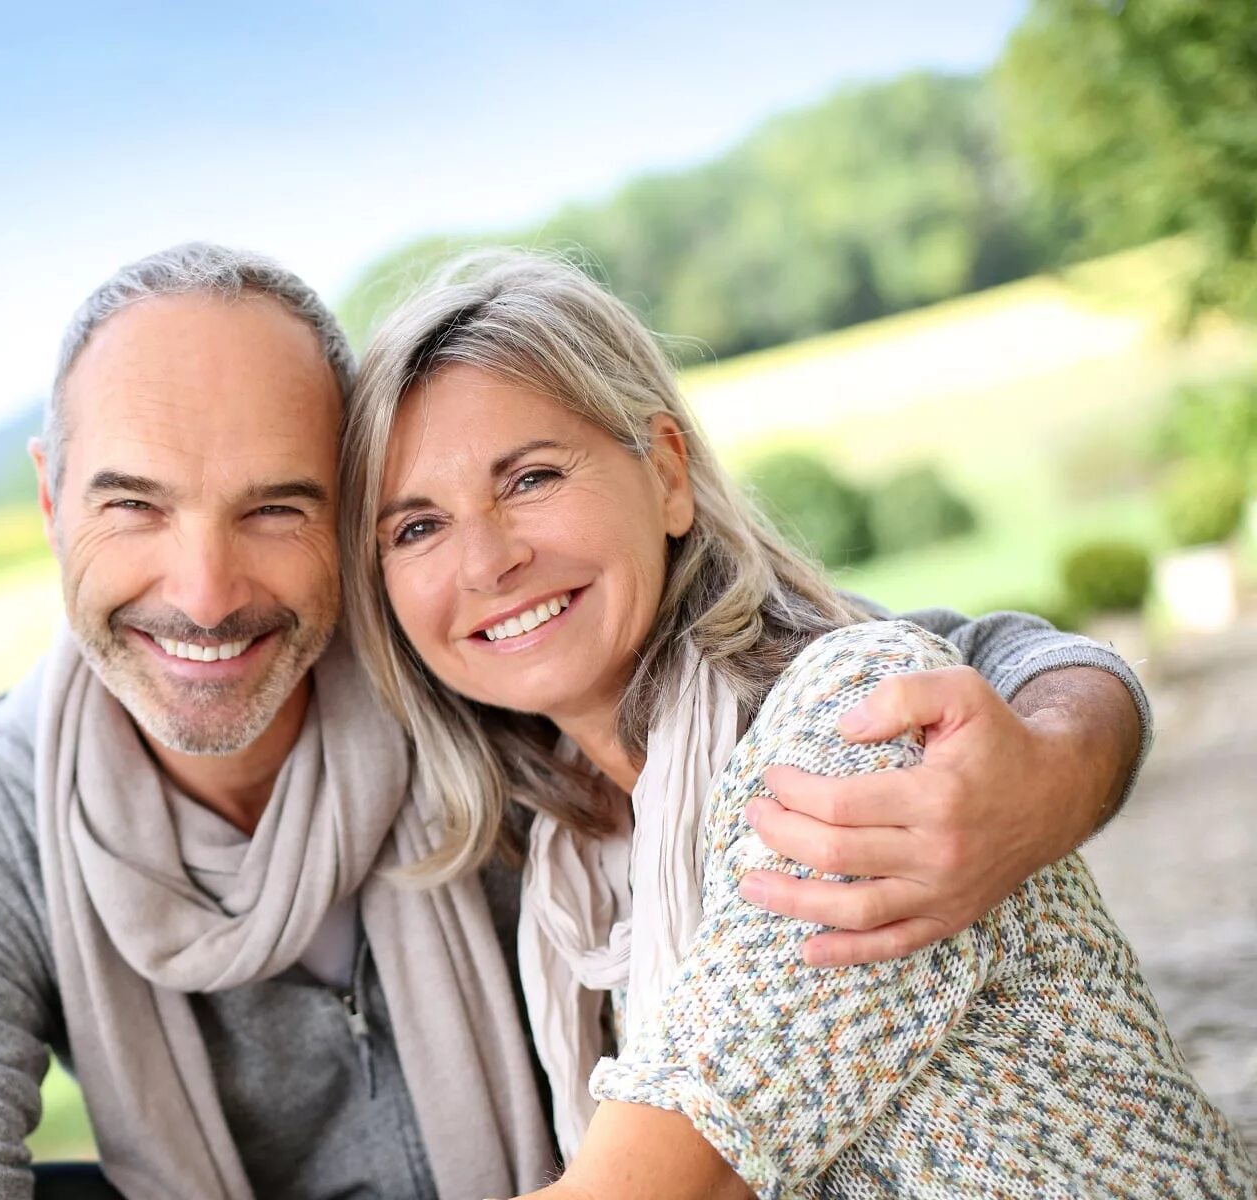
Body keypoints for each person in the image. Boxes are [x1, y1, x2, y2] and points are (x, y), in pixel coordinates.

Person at [0, 244, 1156, 1200]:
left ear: (342, 524)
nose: (203, 593)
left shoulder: (478, 693)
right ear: (49, 501)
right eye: (133, 504)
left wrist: (1053, 761)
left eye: (275, 506)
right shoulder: (2, 827)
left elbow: (942, 666)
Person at [339, 249, 1254, 1199]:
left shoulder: (847, 734)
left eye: (529, 479)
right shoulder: (574, 856)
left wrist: (1070, 749)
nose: (486, 561)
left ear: (667, 476)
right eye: (416, 528)